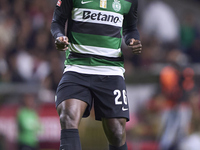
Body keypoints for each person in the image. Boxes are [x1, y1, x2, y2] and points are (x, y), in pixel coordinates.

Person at [50, 0, 142, 149]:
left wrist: (132, 40)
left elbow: (130, 27)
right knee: (68, 116)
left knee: (117, 132)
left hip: (111, 71)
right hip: (77, 68)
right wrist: (59, 36)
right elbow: (57, 22)